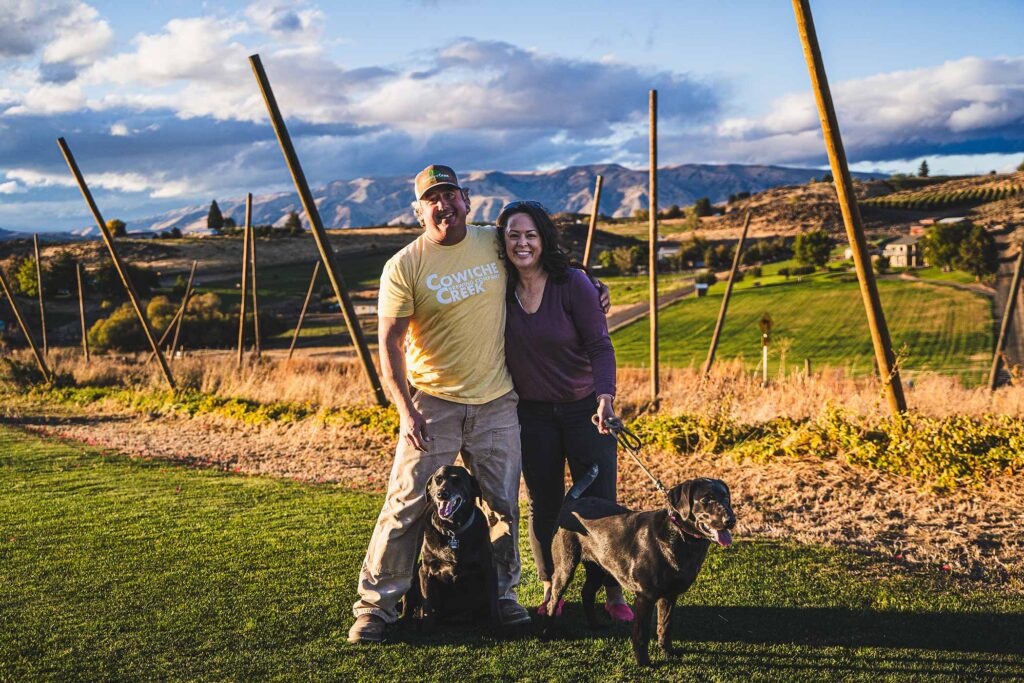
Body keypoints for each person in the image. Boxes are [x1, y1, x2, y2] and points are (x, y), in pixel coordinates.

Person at [348, 165, 531, 644]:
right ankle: (376, 608)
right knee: (406, 503)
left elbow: (541, 259)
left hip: (495, 400)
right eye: (432, 198)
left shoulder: (493, 241)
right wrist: (406, 410)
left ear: (467, 201)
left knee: (502, 506)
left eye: (451, 195)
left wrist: (589, 285)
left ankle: (504, 596)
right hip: (433, 403)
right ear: (419, 210)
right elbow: (388, 345)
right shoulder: (405, 265)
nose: (443, 204)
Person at [497, 200, 634, 622]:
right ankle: (550, 589)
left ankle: (614, 592)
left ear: (544, 239)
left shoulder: (572, 283)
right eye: (513, 235)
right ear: (502, 242)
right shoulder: (497, 287)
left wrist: (605, 397)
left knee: (601, 504)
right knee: (545, 504)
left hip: (585, 409)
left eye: (530, 235)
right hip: (531, 415)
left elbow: (600, 346)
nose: (522, 243)